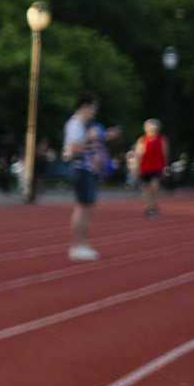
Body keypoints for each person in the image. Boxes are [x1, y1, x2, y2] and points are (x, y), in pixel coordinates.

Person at [62, 93, 115, 261]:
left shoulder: (81, 125)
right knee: (83, 207)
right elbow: (72, 150)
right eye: (93, 108)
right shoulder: (75, 125)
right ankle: (77, 246)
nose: (94, 112)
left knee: (87, 207)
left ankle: (81, 245)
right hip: (81, 170)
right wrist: (89, 137)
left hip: (87, 170)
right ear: (85, 106)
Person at [135, 119, 168, 218]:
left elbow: (165, 154)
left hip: (157, 167)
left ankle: (154, 205)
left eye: (154, 128)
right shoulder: (143, 140)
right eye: (150, 128)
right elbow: (138, 155)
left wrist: (165, 167)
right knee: (147, 189)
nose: (152, 130)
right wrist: (136, 168)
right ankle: (150, 206)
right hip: (145, 168)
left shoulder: (162, 140)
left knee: (155, 185)